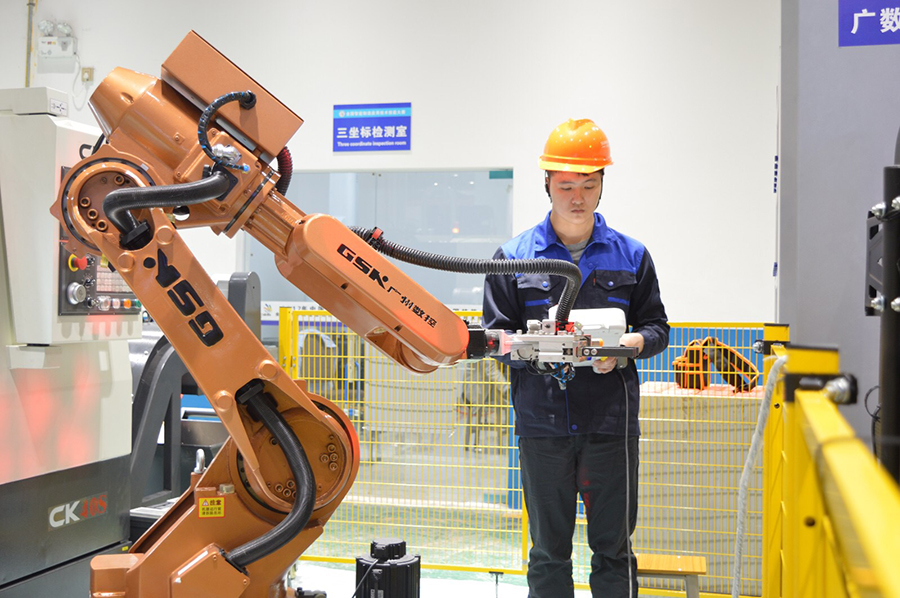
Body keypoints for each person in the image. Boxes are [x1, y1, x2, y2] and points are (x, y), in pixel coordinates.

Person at [482, 118, 669, 598]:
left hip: (611, 425)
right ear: (547, 183)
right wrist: (536, 353)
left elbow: (657, 328)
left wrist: (630, 346)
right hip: (543, 425)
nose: (578, 197)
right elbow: (496, 338)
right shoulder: (514, 257)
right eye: (566, 185)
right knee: (548, 553)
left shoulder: (631, 255)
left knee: (614, 551)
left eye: (589, 184)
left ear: (603, 183)